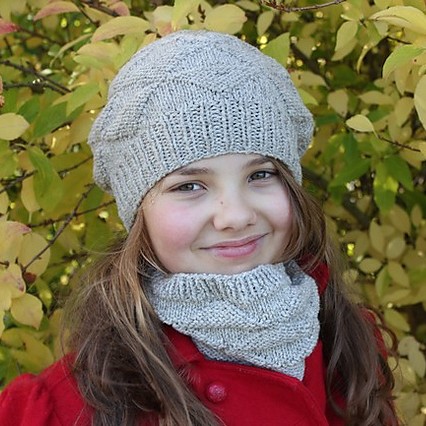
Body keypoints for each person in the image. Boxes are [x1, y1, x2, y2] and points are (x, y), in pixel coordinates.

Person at [0, 30, 399, 426]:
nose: (235, 216)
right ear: (140, 214)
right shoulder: (66, 408)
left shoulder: (349, 347)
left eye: (260, 174)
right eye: (189, 186)